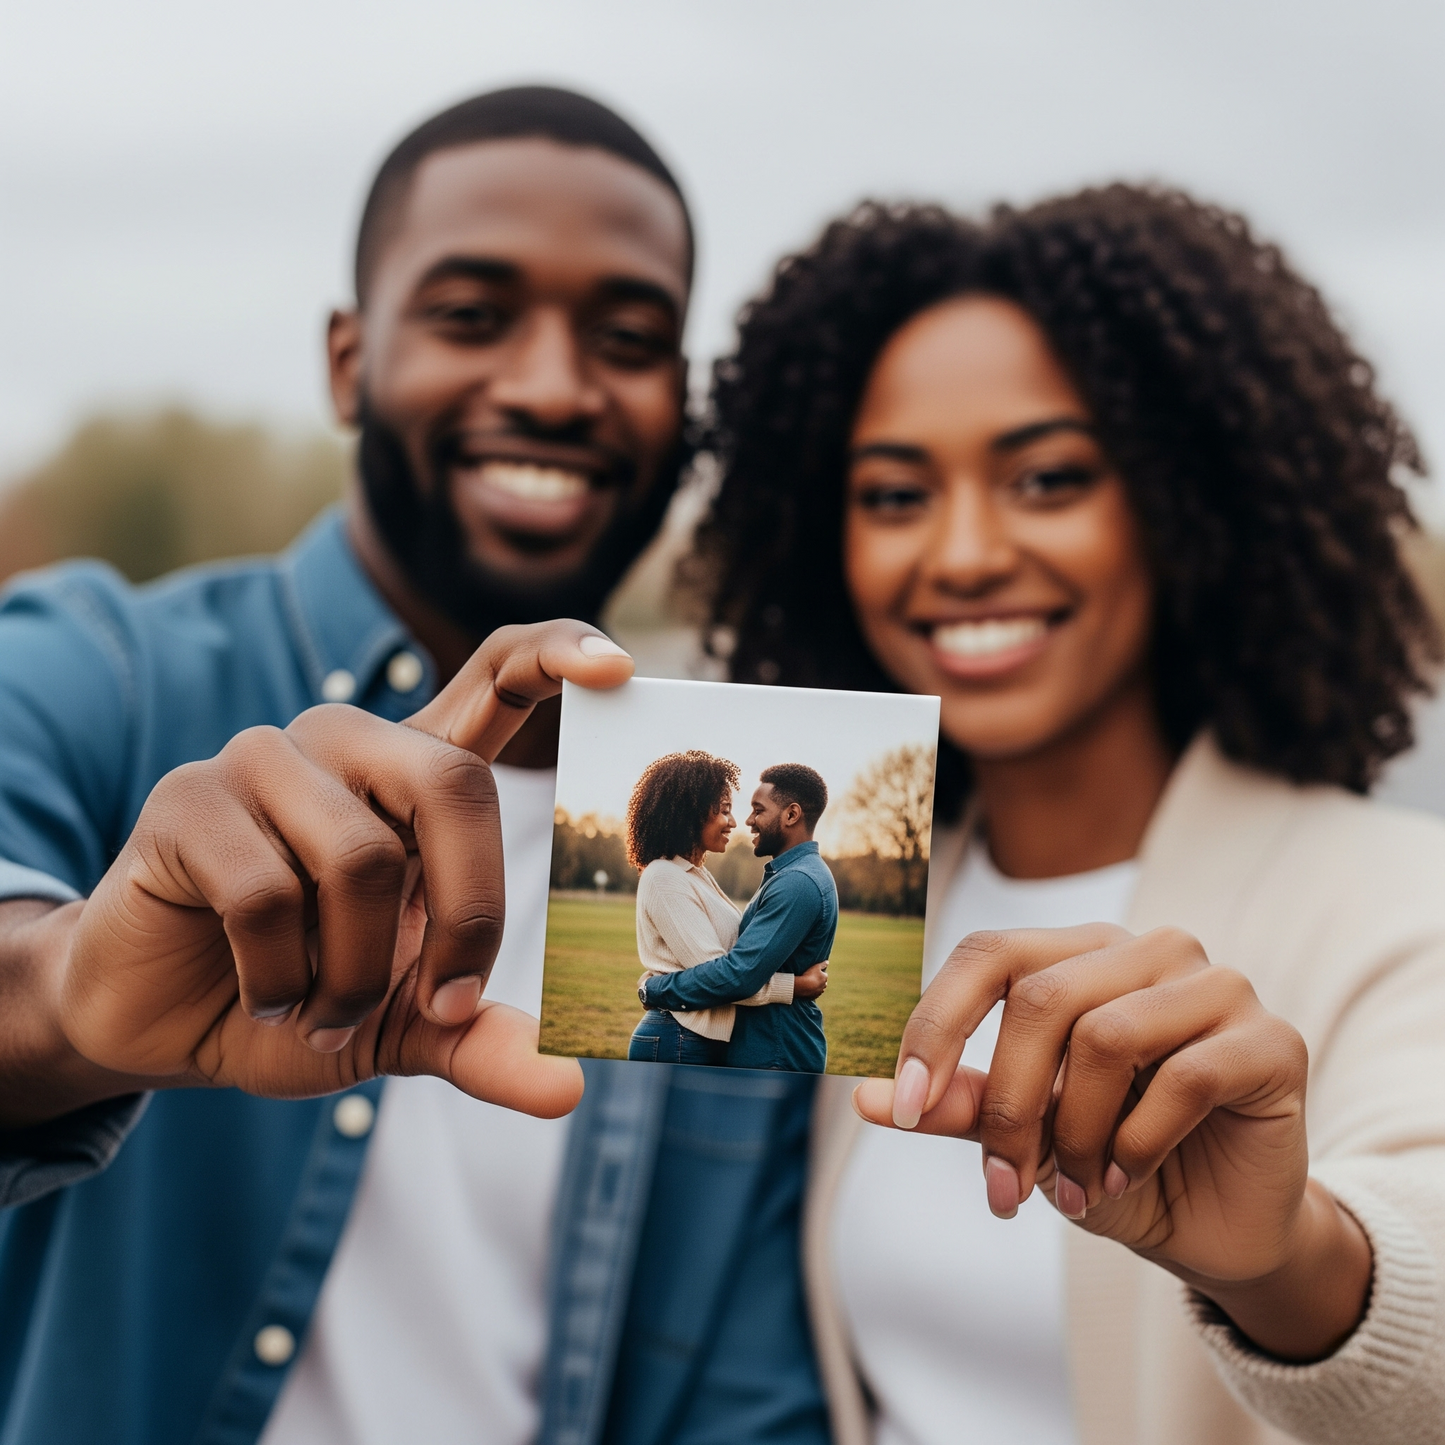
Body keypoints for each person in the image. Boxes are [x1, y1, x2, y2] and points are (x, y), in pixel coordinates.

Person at [0, 88, 831, 1445]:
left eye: (625, 339)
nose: (555, 384)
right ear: (348, 360)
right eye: (471, 315)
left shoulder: (737, 819)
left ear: (681, 406)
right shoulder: (100, 666)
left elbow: (747, 1388)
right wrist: (70, 1004)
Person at [692, 189, 1445, 1443]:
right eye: (892, 494)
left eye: (1046, 478)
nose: (966, 551)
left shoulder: (1396, 900)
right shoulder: (861, 895)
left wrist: (1284, 1262)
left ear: (1184, 497)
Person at [624, 750, 825, 1065]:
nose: (734, 822)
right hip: (677, 1036)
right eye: (724, 810)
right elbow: (723, 978)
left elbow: (732, 968)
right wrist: (794, 987)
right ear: (690, 813)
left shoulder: (696, 875)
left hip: (697, 1039)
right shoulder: (664, 877)